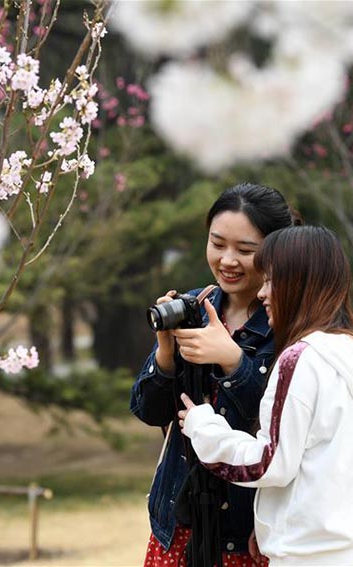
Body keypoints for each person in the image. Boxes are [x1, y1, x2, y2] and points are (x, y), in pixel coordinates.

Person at [178, 226, 353, 567]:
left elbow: (269, 463)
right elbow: (325, 464)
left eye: (270, 281)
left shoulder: (300, 359)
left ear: (299, 284)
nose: (262, 294)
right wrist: (273, 527)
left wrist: (202, 426)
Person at [132, 182, 298, 567]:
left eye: (245, 250)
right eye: (217, 243)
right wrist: (166, 352)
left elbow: (284, 429)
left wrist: (236, 363)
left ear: (274, 252)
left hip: (247, 533)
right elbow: (148, 411)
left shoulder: (288, 325)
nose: (227, 260)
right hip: (178, 524)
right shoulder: (194, 307)